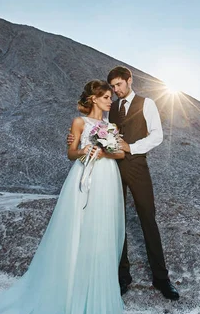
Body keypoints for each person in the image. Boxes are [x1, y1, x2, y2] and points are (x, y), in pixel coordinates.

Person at [0, 80, 126, 314]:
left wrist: (104, 153)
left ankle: (98, 298)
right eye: (105, 97)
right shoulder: (79, 122)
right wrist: (85, 151)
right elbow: (70, 152)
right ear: (93, 99)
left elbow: (120, 153)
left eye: (110, 97)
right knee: (77, 229)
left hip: (107, 177)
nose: (109, 101)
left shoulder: (110, 126)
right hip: (84, 176)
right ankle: (70, 298)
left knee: (102, 231)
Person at [68, 66, 179, 300]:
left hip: (137, 167)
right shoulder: (111, 108)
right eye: (113, 87)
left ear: (129, 80)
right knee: (116, 221)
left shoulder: (146, 103)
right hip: (112, 169)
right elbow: (98, 130)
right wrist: (74, 140)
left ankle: (161, 279)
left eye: (119, 85)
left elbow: (157, 136)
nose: (116, 90)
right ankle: (122, 277)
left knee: (147, 218)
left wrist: (132, 147)